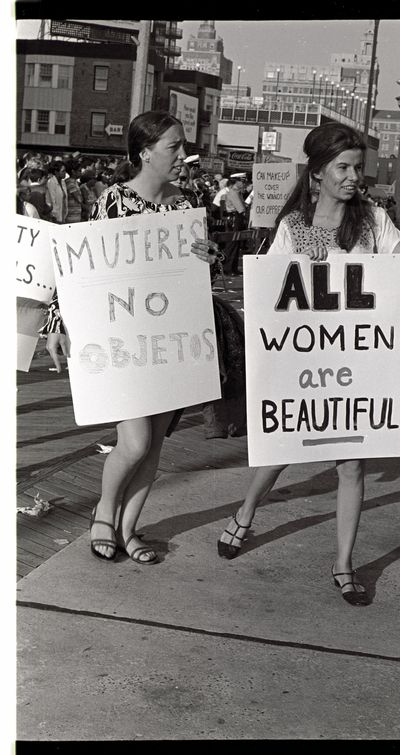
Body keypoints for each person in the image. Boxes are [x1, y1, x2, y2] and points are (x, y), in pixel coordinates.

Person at [217, 122, 400, 606]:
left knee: (352, 461)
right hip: (303, 362)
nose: (352, 177)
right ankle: (245, 512)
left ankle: (343, 562)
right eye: (342, 167)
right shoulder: (292, 227)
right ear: (318, 172)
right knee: (285, 446)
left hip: (354, 364)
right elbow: (267, 298)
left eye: (357, 168)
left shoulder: (372, 221)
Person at [44, 111, 221, 566]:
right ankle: (104, 513)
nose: (183, 155)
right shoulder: (114, 200)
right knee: (137, 442)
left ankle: (129, 527)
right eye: (173, 147)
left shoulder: (186, 205)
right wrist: (56, 323)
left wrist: (210, 258)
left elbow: (203, 276)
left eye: (183, 146)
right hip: (124, 343)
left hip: (169, 344)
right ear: (145, 153)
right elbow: (83, 269)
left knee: (156, 442)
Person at [223, 175, 247, 276]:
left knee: (236, 244)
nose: (243, 183)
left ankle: (233, 268)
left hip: (236, 218)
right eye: (241, 181)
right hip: (234, 218)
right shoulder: (233, 193)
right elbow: (241, 208)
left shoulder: (237, 192)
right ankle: (228, 268)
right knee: (232, 244)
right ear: (236, 182)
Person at [64, 158, 84, 224]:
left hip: (75, 216)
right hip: (71, 216)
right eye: (79, 171)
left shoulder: (74, 182)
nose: (81, 172)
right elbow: (79, 199)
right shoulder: (70, 183)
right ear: (73, 171)